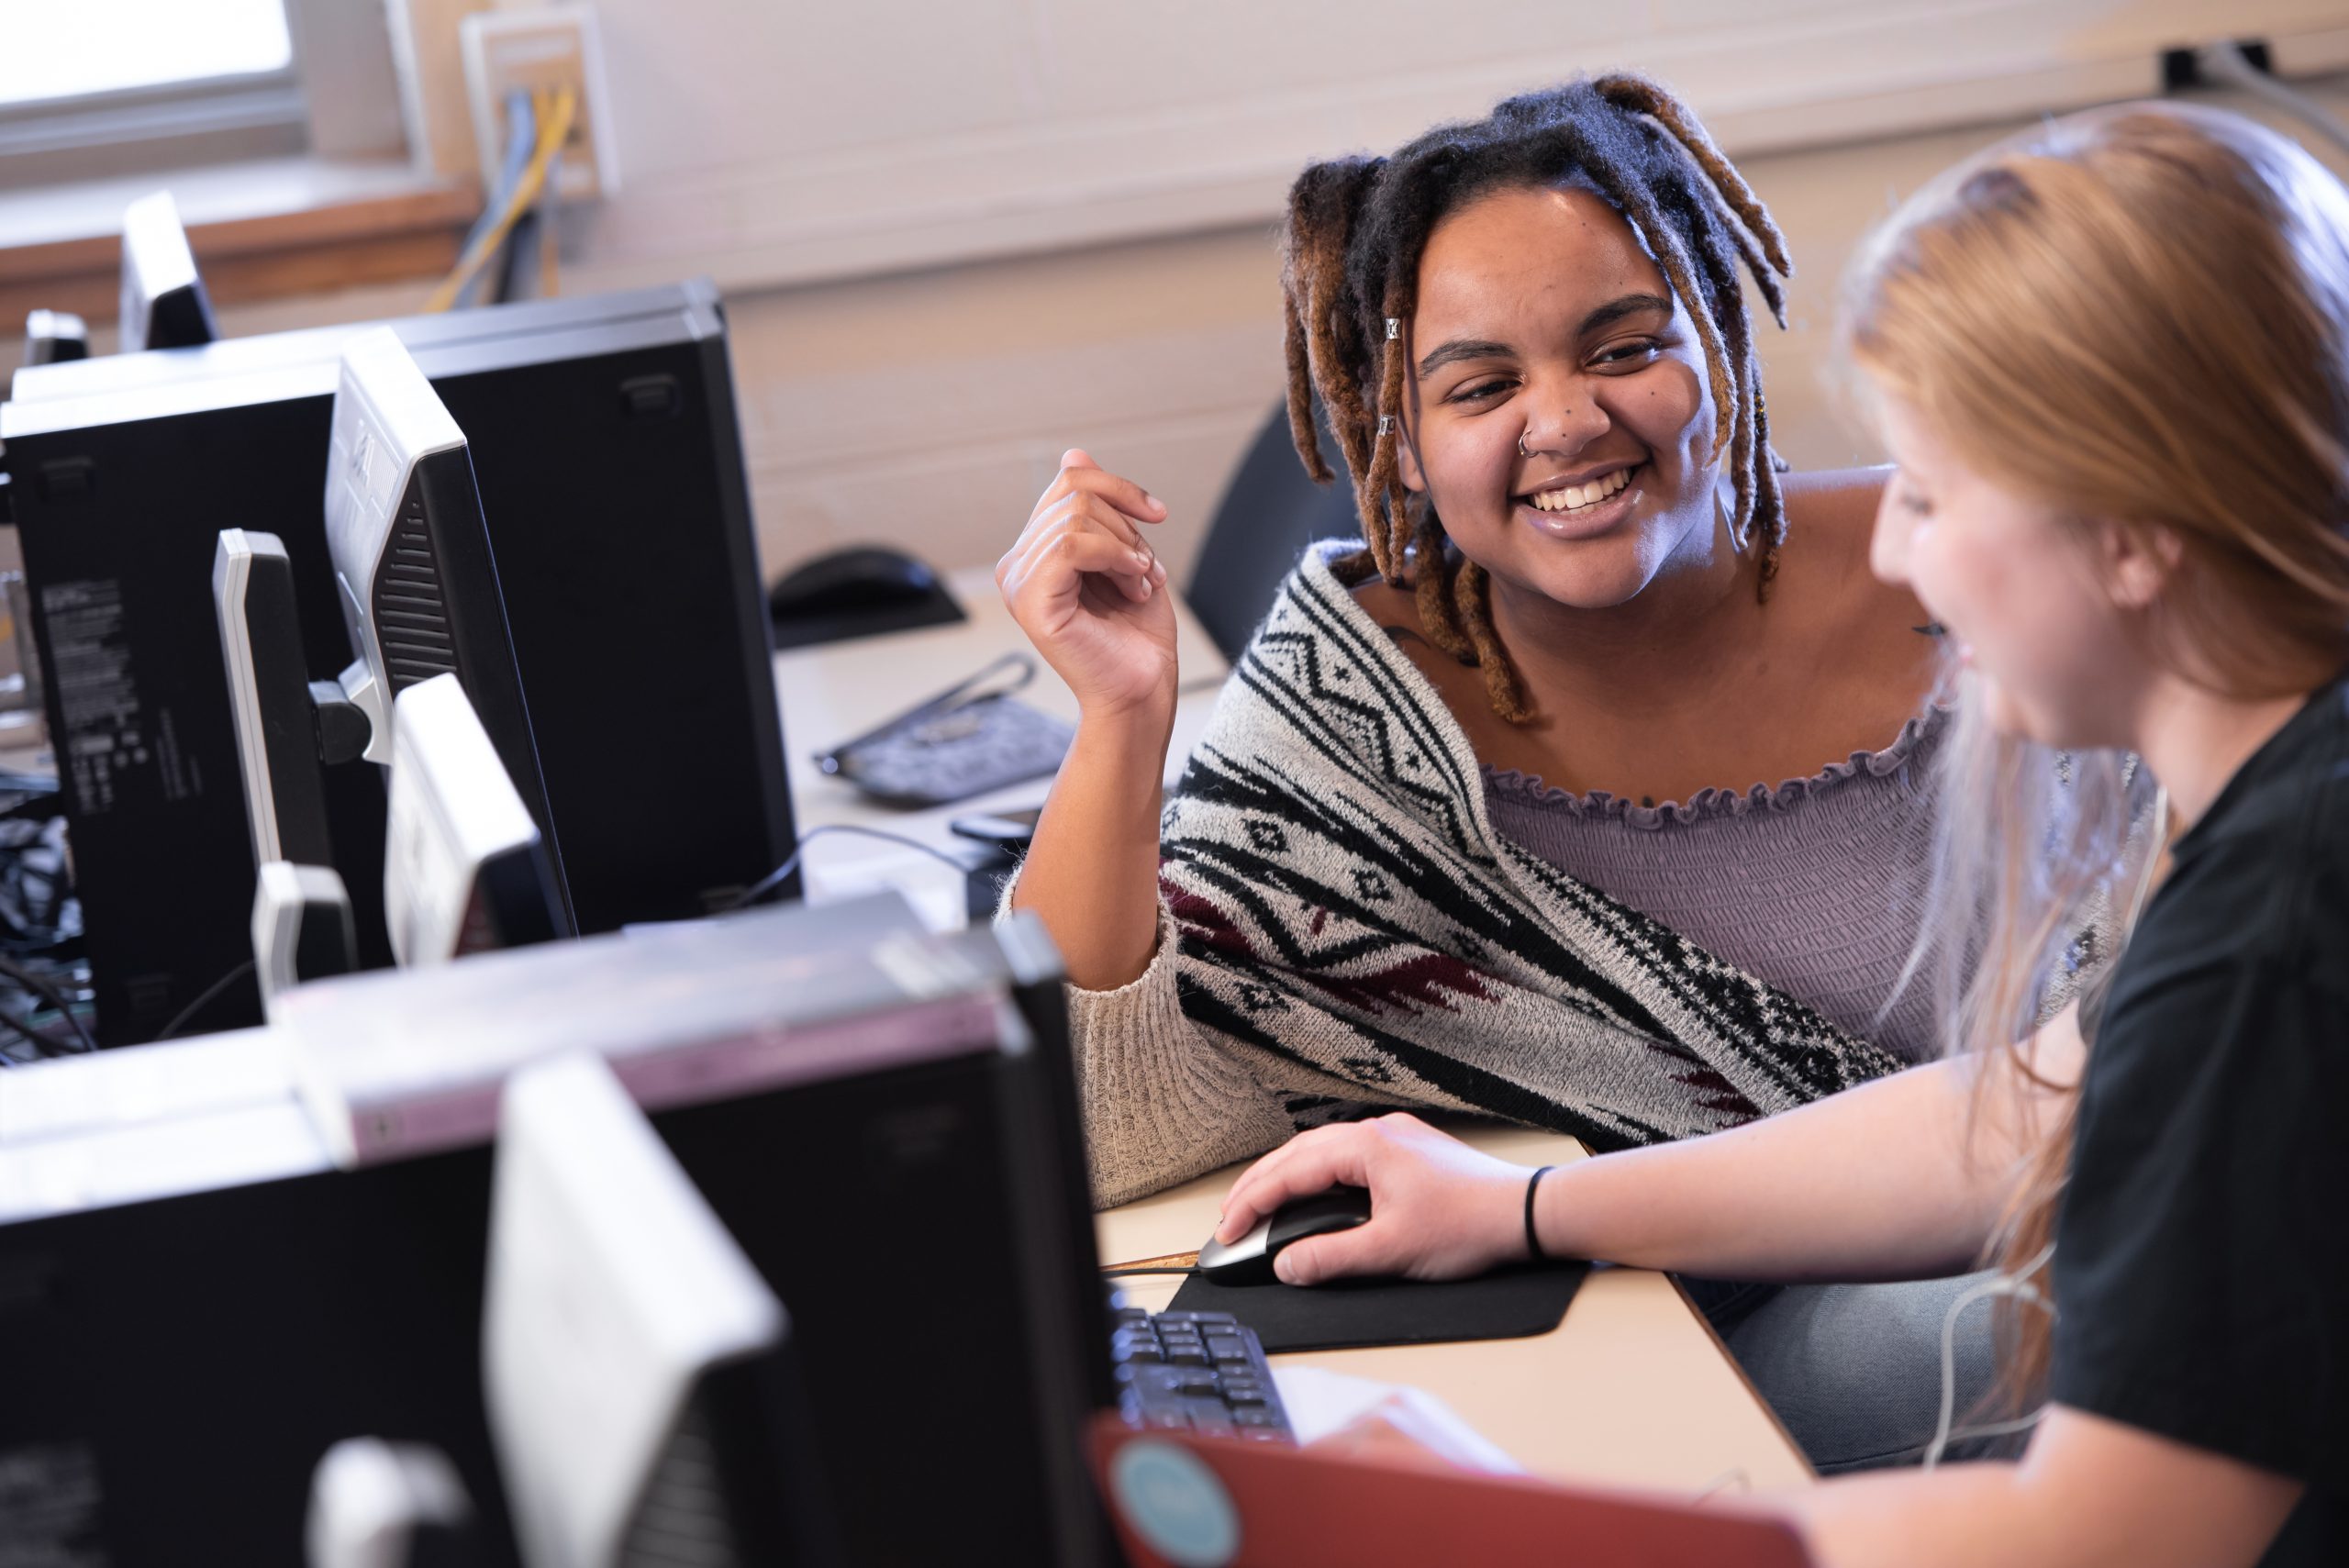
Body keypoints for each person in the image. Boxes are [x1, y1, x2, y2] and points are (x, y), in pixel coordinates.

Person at [1208, 101, 2349, 1565]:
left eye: (1932, 494)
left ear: (2132, 532)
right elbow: (2023, 1109)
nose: (1885, 549)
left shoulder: (2274, 934)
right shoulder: (2281, 810)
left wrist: (1522, 1520)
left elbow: (2108, 1531)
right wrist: (1533, 1205)